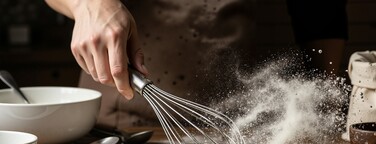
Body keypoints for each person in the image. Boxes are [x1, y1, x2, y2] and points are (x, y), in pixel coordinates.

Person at [45, 0, 348, 128]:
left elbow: (319, 12)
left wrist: (320, 101)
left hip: (233, 124)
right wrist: (88, 4)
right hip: (120, 123)